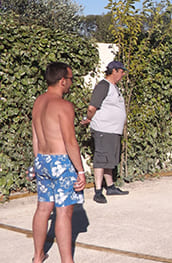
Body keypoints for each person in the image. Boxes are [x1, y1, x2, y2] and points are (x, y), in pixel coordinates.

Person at [30, 62, 86, 263]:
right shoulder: (64, 106)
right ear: (63, 81)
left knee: (43, 208)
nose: (71, 83)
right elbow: (70, 141)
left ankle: (38, 257)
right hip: (61, 162)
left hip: (42, 159)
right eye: (70, 79)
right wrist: (80, 171)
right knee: (63, 212)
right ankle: (67, 261)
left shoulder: (39, 102)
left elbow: (35, 136)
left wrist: (36, 162)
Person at [80, 61, 129, 204]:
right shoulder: (103, 86)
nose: (123, 74)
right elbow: (92, 107)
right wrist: (89, 119)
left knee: (109, 159)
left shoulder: (113, 87)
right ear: (114, 71)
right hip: (103, 129)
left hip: (112, 130)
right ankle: (98, 191)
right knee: (101, 159)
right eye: (121, 71)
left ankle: (110, 186)